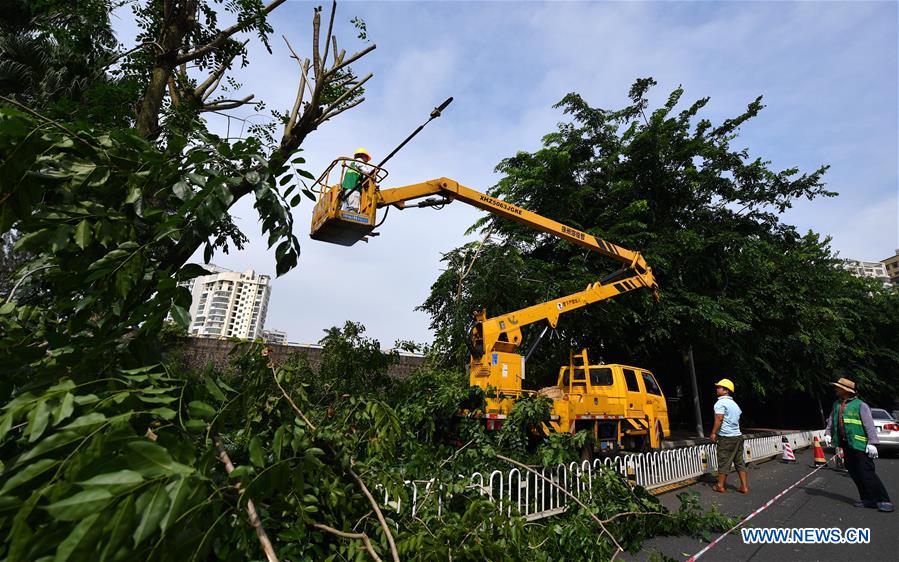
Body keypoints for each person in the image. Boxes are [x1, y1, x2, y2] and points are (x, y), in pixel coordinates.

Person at [824, 377, 893, 512]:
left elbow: (869, 425)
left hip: (860, 444)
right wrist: (827, 433)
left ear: (845, 390)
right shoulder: (836, 404)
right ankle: (868, 499)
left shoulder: (860, 405)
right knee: (854, 472)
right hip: (845, 443)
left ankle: (883, 500)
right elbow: (832, 420)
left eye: (838, 387)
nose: (836, 389)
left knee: (867, 472)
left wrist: (872, 443)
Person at [710, 378, 749, 494]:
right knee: (739, 462)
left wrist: (713, 432)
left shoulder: (720, 403)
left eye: (719, 387)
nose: (717, 389)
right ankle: (744, 487)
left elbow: (719, 418)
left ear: (726, 390)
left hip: (726, 437)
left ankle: (720, 486)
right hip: (738, 436)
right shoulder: (734, 404)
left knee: (723, 461)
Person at [340, 147, 371, 212]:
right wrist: (370, 175)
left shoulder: (352, 164)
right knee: (354, 207)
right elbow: (364, 170)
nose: (367, 161)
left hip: (346, 189)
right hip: (354, 188)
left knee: (346, 208)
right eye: (366, 158)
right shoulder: (359, 161)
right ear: (363, 156)